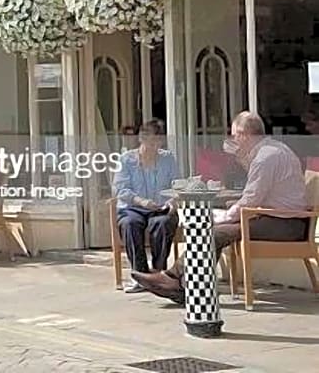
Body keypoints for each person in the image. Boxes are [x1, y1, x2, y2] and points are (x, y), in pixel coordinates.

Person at [133, 111, 310, 303]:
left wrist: (226, 216)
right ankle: (185, 284)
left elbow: (251, 198)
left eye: (234, 136)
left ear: (243, 134)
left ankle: (177, 281)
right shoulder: (272, 150)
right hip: (275, 217)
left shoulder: (266, 157)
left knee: (214, 232)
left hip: (286, 223)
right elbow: (259, 195)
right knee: (213, 231)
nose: (232, 140)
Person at [113, 119, 180, 293]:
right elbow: (121, 189)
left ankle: (158, 274)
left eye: (158, 141)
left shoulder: (168, 158)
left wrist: (172, 201)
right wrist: (142, 202)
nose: (153, 146)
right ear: (141, 139)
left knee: (163, 223)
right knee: (130, 224)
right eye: (150, 141)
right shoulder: (126, 159)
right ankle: (140, 275)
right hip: (133, 207)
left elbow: (177, 185)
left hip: (160, 207)